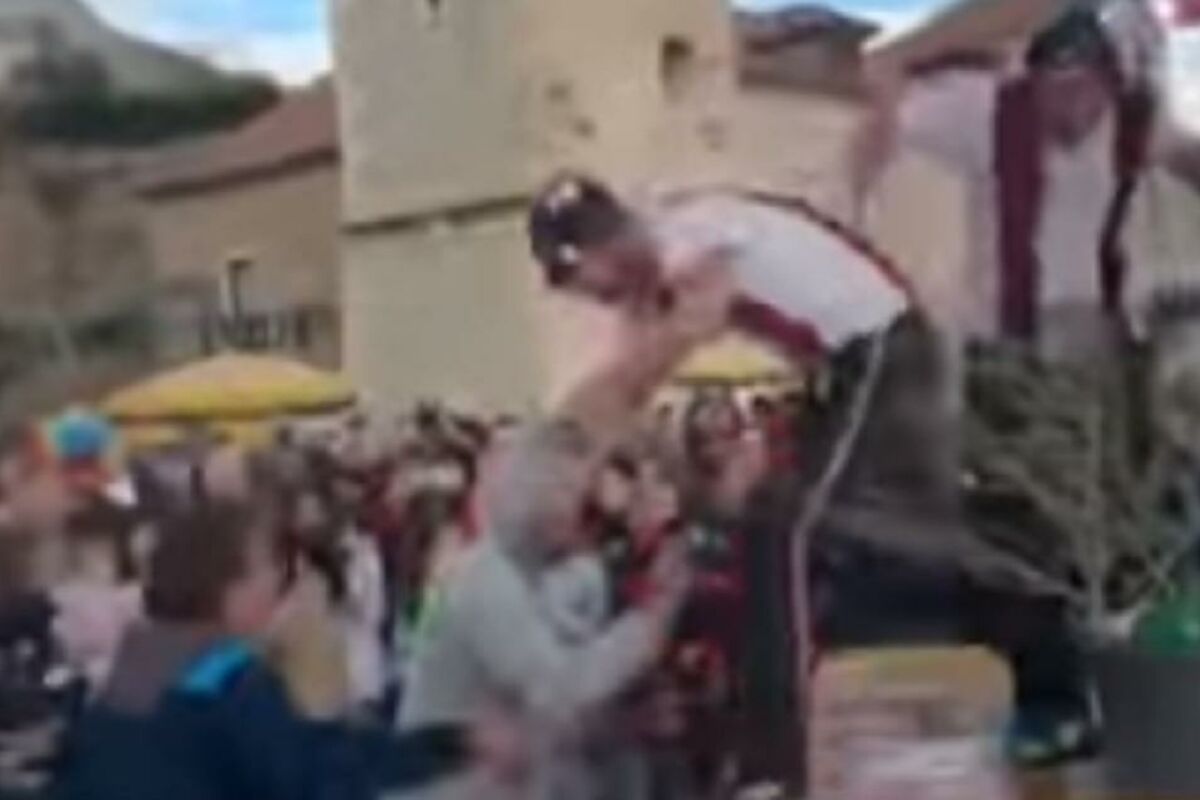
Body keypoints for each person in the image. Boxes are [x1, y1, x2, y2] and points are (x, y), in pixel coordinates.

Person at [395, 252, 732, 800]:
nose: (577, 499)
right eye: (560, 484)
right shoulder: (482, 577)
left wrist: (627, 722)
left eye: (582, 480)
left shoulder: (566, 574)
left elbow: (567, 716)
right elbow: (559, 689)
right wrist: (654, 619)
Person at [54, 498, 504, 800]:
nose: (292, 585)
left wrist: (447, 740)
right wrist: (320, 691)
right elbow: (324, 782)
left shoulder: (139, 665)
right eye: (279, 569)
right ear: (230, 591)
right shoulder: (229, 680)